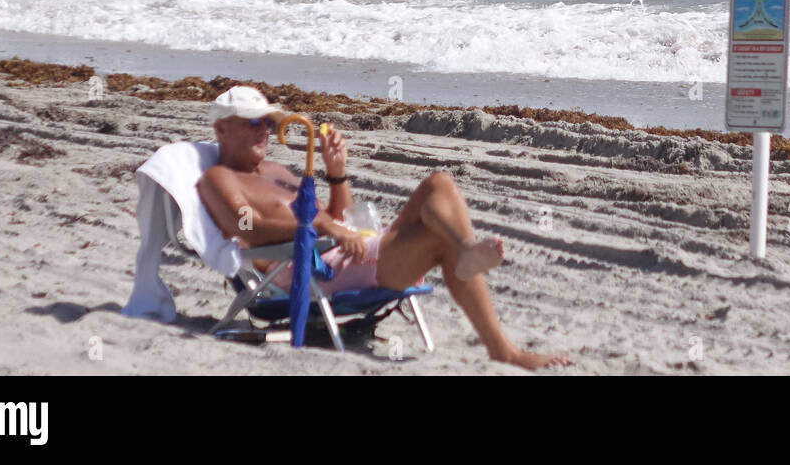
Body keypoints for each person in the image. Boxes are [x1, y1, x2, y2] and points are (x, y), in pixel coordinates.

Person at [196, 85, 572, 371]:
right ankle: (503, 347)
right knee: (441, 241)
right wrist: (325, 225)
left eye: (265, 121)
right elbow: (251, 227)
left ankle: (467, 252)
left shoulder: (277, 172)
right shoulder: (219, 178)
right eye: (251, 122)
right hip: (310, 272)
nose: (262, 129)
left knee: (439, 183)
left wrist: (337, 173)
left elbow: (337, 218)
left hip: (348, 248)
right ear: (221, 130)